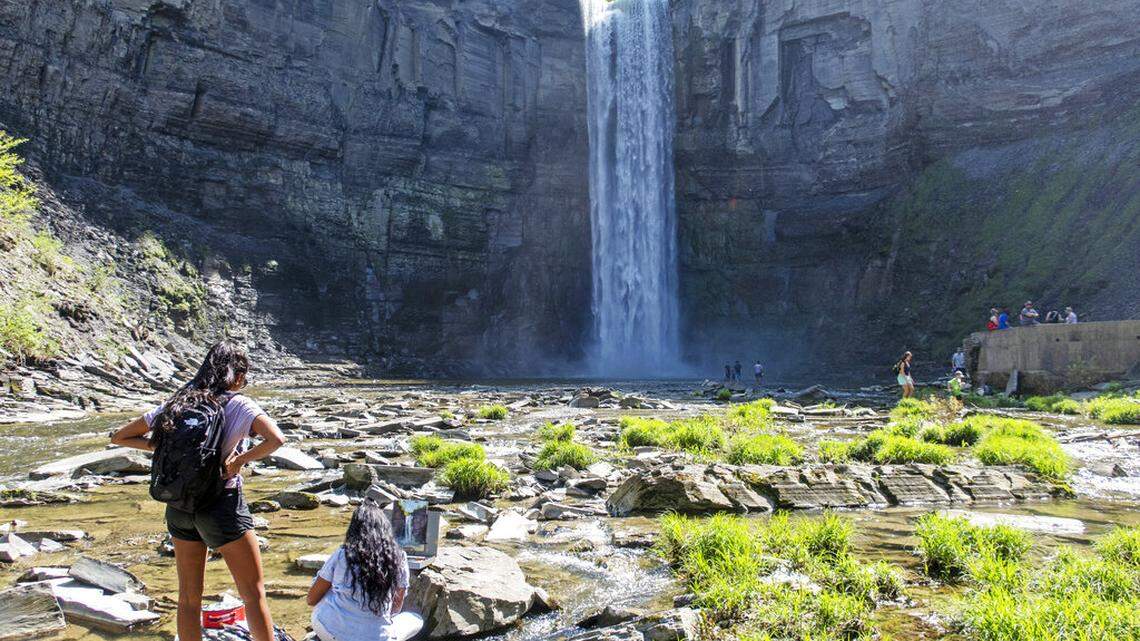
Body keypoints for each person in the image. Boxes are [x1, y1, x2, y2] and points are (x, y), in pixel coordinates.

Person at [111, 342, 286, 641]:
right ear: (237, 376)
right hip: (221, 505)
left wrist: (164, 447)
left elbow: (120, 437)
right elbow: (276, 439)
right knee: (253, 595)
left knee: (189, 598)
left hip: (179, 506)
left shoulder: (179, 402)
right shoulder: (239, 405)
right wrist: (239, 461)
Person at [308, 499, 424, 641]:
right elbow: (395, 608)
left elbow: (311, 599)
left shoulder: (342, 554)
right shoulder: (399, 557)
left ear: (353, 529)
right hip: (378, 638)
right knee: (415, 619)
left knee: (327, 591)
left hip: (331, 633)